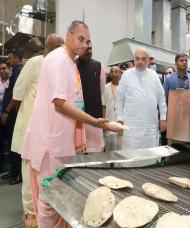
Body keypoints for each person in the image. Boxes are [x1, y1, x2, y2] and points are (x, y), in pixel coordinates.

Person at [21, 20, 122, 228]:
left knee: (59, 197)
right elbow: (60, 104)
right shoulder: (58, 59)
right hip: (50, 143)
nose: (85, 44)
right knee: (49, 198)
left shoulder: (70, 61)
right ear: (68, 36)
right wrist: (96, 122)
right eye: (80, 39)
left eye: (88, 41)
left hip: (61, 140)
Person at [11, 33, 64, 227]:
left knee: (45, 171)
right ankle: (30, 213)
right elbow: (18, 93)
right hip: (31, 126)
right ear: (47, 47)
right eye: (54, 46)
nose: (58, 50)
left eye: (61, 47)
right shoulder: (35, 62)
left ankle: (44, 211)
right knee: (28, 168)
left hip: (51, 129)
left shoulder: (62, 66)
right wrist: (30, 117)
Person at [116, 48, 167, 150]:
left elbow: (161, 99)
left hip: (150, 127)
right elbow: (119, 98)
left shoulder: (154, 76)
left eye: (143, 59)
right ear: (134, 60)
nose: (140, 62)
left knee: (150, 157)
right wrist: (119, 119)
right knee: (130, 159)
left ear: (148, 61)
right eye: (137, 59)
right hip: (130, 127)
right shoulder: (127, 75)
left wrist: (163, 118)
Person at [76, 42, 106, 152]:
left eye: (90, 49)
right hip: (78, 116)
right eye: (86, 49)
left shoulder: (99, 66)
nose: (89, 51)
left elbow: (102, 89)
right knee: (78, 152)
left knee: (96, 151)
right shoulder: (72, 65)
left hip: (95, 115)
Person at [1, 50, 24, 184]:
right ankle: (14, 171)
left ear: (17, 58)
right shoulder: (14, 72)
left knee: (16, 143)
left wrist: (7, 112)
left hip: (14, 115)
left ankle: (19, 174)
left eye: (10, 58)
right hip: (11, 115)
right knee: (11, 143)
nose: (8, 61)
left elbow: (16, 95)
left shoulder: (19, 72)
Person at [102, 66, 122, 150]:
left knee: (121, 149)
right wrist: (103, 122)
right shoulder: (105, 88)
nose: (114, 74)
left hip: (121, 122)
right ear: (110, 74)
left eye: (116, 72)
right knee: (110, 150)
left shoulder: (124, 87)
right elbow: (103, 106)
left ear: (120, 73)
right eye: (112, 72)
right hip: (109, 122)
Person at [0, 62, 10, 173]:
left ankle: (10, 166)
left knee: (9, 141)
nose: (2, 70)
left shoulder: (12, 81)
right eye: (0, 69)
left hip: (8, 116)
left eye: (4, 68)